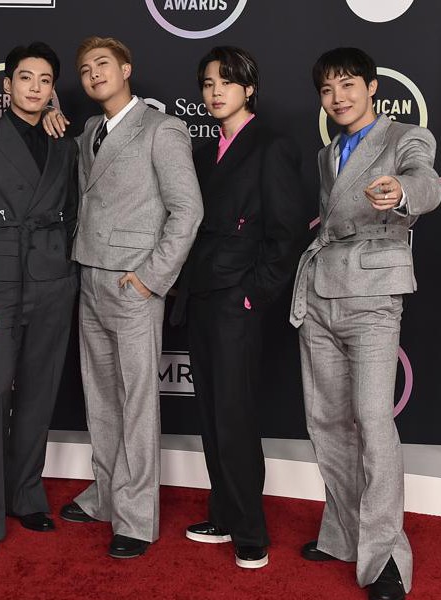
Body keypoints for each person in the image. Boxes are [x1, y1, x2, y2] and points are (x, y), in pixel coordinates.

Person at [290, 47, 440, 600]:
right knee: (327, 420)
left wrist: (401, 194)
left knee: (374, 422)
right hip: (322, 293)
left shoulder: (404, 139)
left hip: (374, 296)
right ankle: (343, 533)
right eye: (328, 91)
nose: (338, 98)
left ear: (373, 86)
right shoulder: (328, 154)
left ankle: (385, 558)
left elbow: (425, 183)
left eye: (348, 85)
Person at [54, 36, 203, 558]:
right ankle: (105, 493)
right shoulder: (90, 130)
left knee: (137, 400)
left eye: (102, 64)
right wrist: (53, 115)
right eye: (84, 67)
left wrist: (151, 277)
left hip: (133, 284)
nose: (93, 73)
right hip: (88, 276)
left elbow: (188, 211)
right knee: (101, 395)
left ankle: (136, 517)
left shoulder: (163, 129)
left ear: (126, 68)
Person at [170, 46, 306, 569]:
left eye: (226, 81)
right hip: (201, 299)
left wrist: (254, 295)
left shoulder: (271, 147)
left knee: (235, 415)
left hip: (237, 301)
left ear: (250, 88)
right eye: (207, 83)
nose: (215, 91)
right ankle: (224, 514)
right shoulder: (204, 153)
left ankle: (251, 530)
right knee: (210, 413)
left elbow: (287, 233)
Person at [0, 42, 78, 557]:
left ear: (52, 90)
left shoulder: (66, 142)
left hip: (53, 281)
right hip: (0, 287)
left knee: (39, 394)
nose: (34, 87)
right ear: (6, 86)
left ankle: (27, 494)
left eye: (44, 80)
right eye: (25, 78)